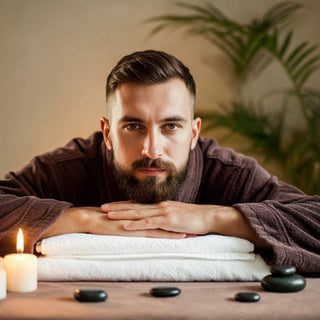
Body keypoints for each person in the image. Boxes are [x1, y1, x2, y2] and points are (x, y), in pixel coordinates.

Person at [0, 50, 319, 273]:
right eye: (133, 126)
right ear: (108, 133)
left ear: (194, 133)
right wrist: (83, 220)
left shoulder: (229, 172)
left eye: (171, 126)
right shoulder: (68, 168)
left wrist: (216, 219)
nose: (151, 149)